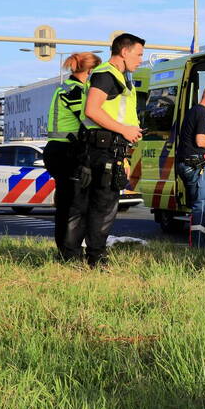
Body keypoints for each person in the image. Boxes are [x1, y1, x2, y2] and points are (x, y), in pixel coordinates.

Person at [69, 33, 145, 267]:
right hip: (103, 150)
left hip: (107, 148)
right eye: (139, 54)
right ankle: (96, 258)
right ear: (124, 51)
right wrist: (124, 129)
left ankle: (81, 256)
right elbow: (92, 110)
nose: (141, 59)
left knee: (97, 205)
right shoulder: (106, 74)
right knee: (103, 206)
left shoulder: (118, 77)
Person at [43, 51, 101, 261]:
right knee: (74, 207)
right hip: (67, 151)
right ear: (90, 70)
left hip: (59, 150)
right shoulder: (75, 90)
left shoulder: (66, 87)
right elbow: (89, 119)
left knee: (69, 204)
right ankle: (70, 255)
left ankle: (68, 252)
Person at [176, 85, 205, 248]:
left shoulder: (192, 111)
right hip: (197, 165)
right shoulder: (203, 113)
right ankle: (198, 242)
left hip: (185, 163)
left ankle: (198, 240)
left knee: (196, 202)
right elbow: (201, 140)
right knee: (202, 204)